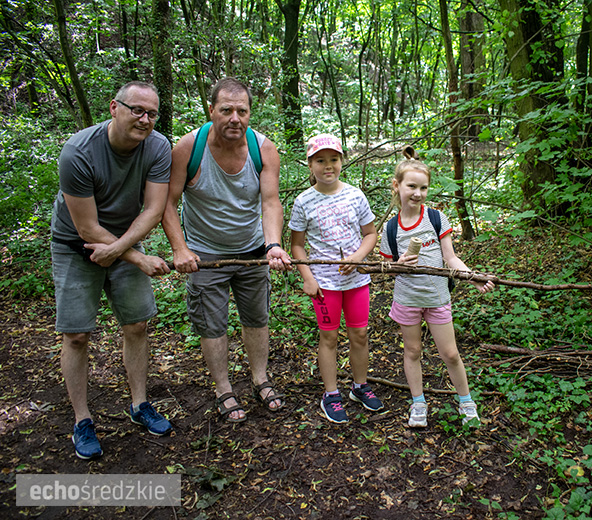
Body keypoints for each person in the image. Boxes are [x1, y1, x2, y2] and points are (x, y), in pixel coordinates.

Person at [51, 81, 173, 460]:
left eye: (152, 113)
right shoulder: (79, 151)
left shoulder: (158, 146)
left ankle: (139, 404)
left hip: (124, 239)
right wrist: (137, 257)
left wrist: (123, 250)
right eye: (137, 110)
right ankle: (82, 420)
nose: (145, 119)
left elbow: (153, 208)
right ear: (114, 108)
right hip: (75, 246)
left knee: (137, 324)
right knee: (77, 335)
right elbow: (87, 229)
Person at [162, 78, 291, 424]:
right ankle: (223, 389)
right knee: (213, 324)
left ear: (250, 114)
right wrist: (179, 249)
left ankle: (260, 379)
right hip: (204, 255)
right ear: (211, 111)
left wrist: (274, 244)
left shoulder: (263, 149)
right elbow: (168, 204)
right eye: (226, 110)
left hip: (252, 251)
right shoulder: (188, 149)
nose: (235, 118)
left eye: (242, 111)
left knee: (256, 317)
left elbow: (271, 201)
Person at [379, 151, 494, 428]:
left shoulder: (435, 218)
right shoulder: (390, 229)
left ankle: (466, 401)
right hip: (407, 299)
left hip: (437, 298)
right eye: (411, 186)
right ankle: (418, 403)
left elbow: (450, 258)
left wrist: (471, 276)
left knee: (451, 353)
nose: (418, 193)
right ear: (397, 186)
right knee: (413, 351)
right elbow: (386, 270)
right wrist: (399, 264)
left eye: (423, 188)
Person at [288, 134, 383, 423]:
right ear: (310, 164)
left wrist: (357, 258)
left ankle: (359, 386)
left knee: (360, 334)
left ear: (342, 161)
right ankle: (331, 393)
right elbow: (297, 244)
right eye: (320, 160)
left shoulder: (355, 195)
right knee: (328, 337)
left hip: (356, 282)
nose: (328, 166)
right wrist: (307, 277)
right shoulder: (304, 201)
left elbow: (370, 234)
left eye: (334, 159)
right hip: (324, 285)